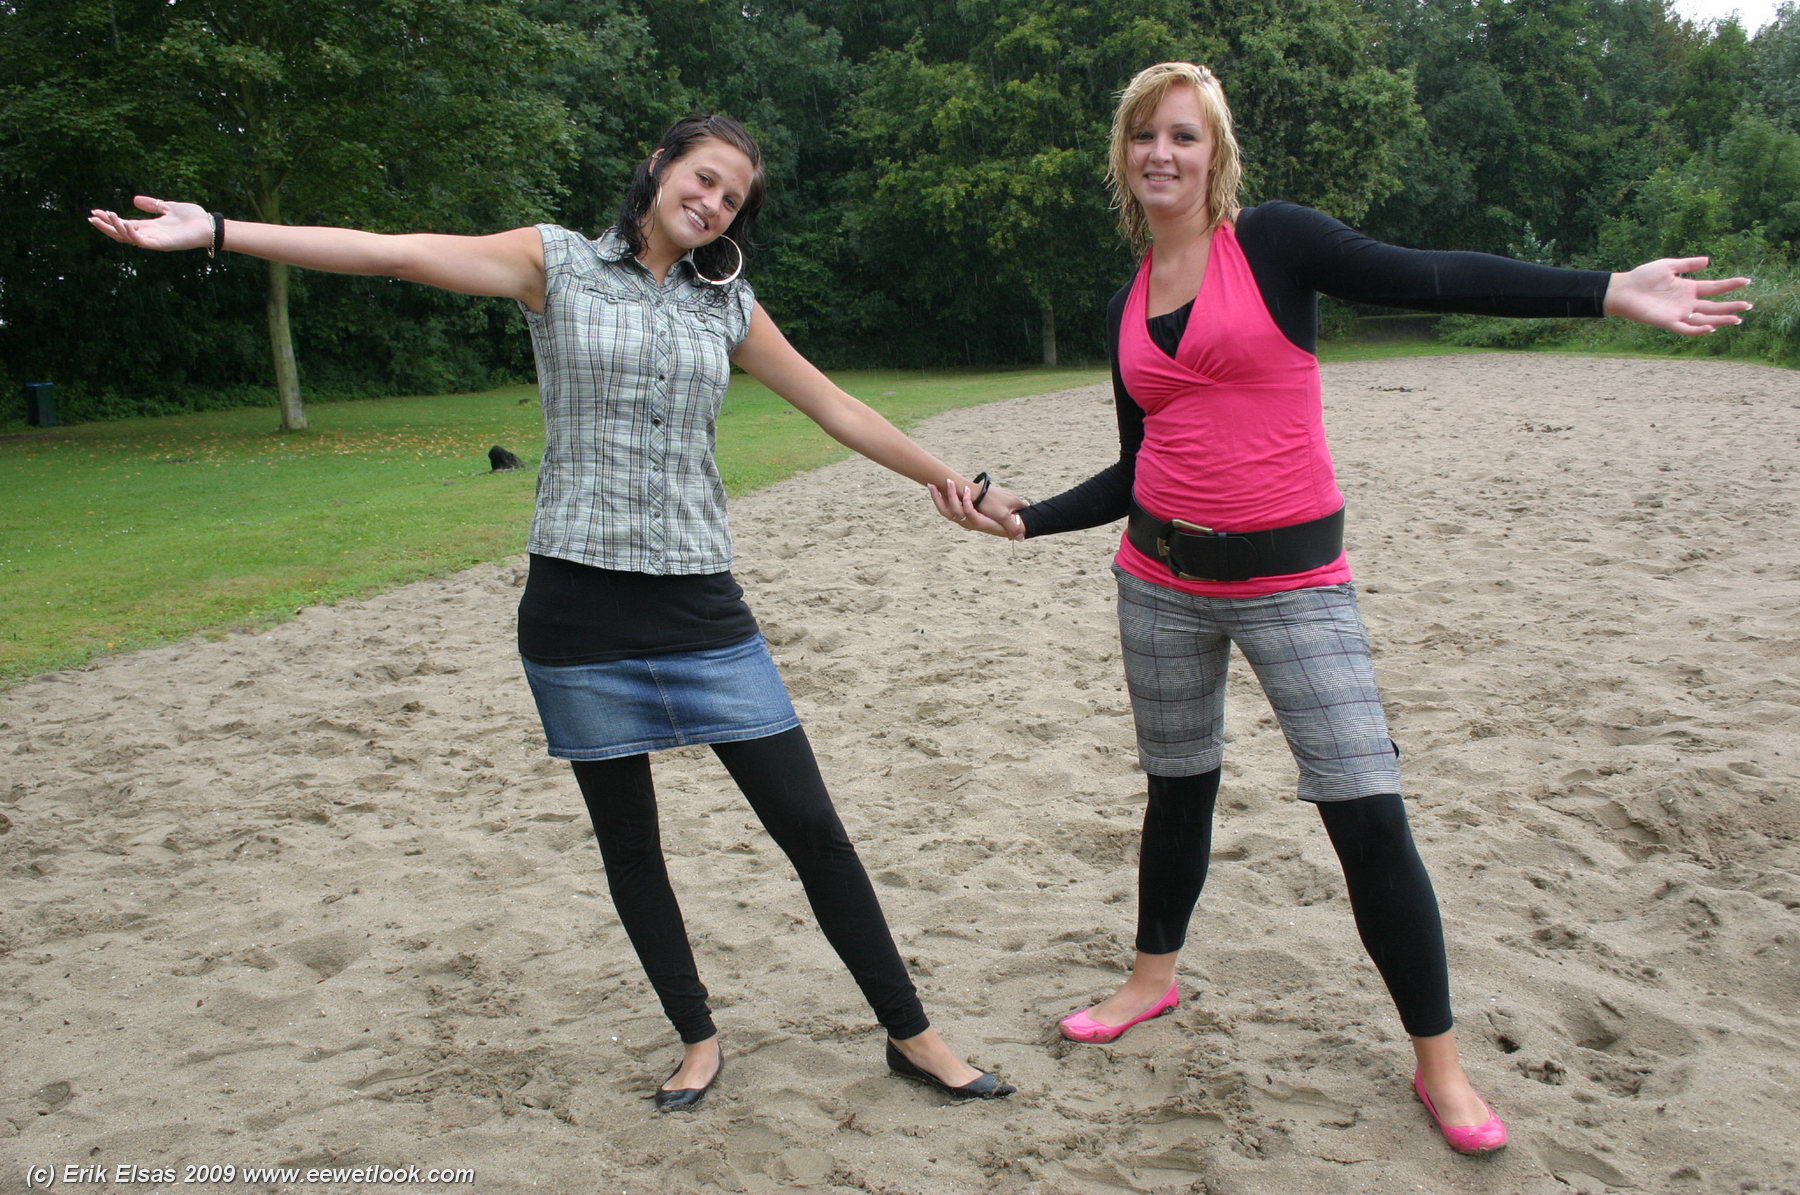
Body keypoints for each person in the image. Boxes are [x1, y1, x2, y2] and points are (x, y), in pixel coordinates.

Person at [90, 113, 1022, 1112]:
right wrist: (219, 230)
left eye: (732, 198)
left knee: (812, 828)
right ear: (659, 167)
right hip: (577, 609)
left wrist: (955, 484)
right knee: (631, 844)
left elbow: (836, 406)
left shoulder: (728, 305)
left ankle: (913, 1036)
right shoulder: (556, 264)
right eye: (702, 178)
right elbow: (395, 253)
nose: (712, 203)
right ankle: (697, 1037)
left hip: (700, 604)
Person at [932, 62, 1750, 1154]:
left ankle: (1439, 1065)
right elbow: (1140, 464)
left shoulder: (1273, 242)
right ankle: (1151, 977)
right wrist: (1028, 519)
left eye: (1183, 134)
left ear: (1215, 153)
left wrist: (1605, 289)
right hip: (1159, 583)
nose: (1161, 152)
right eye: (1142, 135)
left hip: (1294, 587)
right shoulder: (1127, 299)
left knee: (1366, 812)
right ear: (1122, 155)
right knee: (1178, 788)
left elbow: (1430, 274)